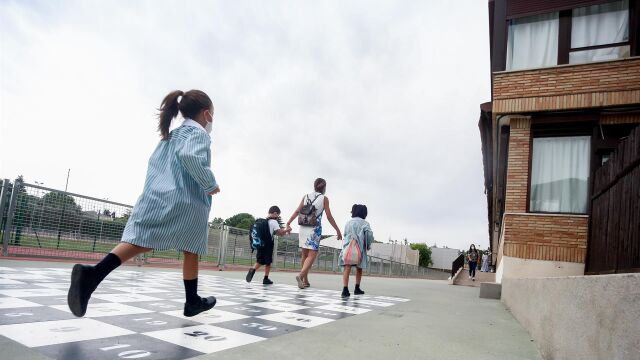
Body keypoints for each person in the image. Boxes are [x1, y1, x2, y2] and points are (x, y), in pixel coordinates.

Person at [67, 89, 220, 318]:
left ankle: (94, 275)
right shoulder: (197, 134)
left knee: (141, 239)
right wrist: (210, 184)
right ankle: (191, 301)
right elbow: (190, 157)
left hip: (158, 194)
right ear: (206, 114)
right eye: (213, 116)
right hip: (186, 200)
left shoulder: (170, 135)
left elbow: (155, 165)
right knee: (192, 247)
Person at [286, 178, 342, 289]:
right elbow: (329, 216)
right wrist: (338, 230)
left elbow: (297, 211)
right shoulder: (324, 198)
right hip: (314, 229)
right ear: (324, 187)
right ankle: (301, 275)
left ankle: (305, 280)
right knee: (312, 255)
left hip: (303, 227)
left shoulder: (305, 196)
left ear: (314, 186)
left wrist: (288, 222)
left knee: (304, 255)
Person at [246, 206, 291, 285]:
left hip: (260, 242)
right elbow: (280, 233)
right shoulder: (273, 222)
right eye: (278, 215)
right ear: (275, 213)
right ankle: (266, 278)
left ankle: (252, 269)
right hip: (268, 244)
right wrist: (288, 230)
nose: (277, 217)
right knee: (268, 262)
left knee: (260, 260)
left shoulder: (263, 221)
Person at [339, 204, 373, 298]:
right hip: (360, 248)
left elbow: (345, 235)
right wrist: (368, 245)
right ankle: (357, 288)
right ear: (364, 213)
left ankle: (345, 289)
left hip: (348, 248)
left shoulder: (348, 222)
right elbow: (369, 235)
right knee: (359, 268)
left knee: (347, 268)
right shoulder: (365, 223)